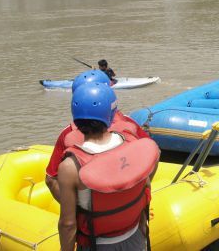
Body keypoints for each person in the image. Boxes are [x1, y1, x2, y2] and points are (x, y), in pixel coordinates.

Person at [57, 82, 160, 251]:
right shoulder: (134, 144)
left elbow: (68, 225)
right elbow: (146, 184)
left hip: (96, 245)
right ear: (112, 114)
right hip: (135, 237)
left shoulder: (70, 167)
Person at [45, 70, 150, 203]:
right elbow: (152, 155)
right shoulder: (129, 124)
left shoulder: (67, 134)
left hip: (93, 214)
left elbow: (51, 179)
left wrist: (77, 209)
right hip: (131, 209)